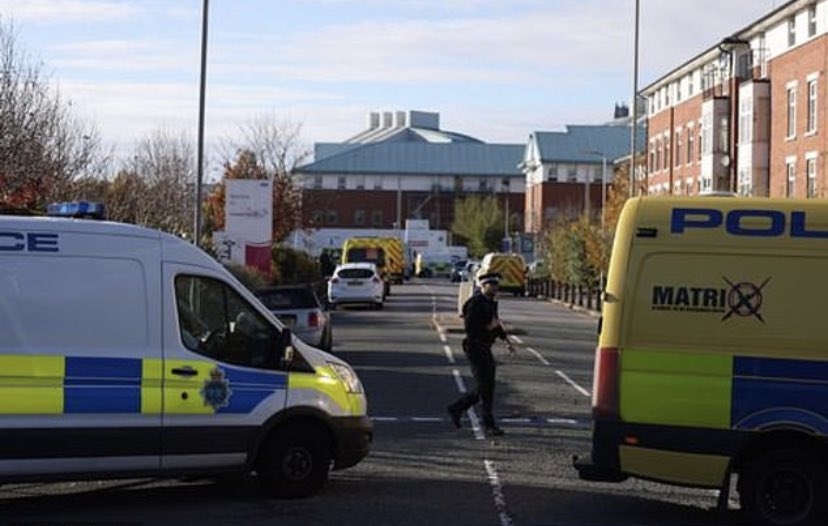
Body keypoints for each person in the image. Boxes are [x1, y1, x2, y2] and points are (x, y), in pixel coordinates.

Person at [447, 272, 516, 436]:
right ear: (483, 286)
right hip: (475, 347)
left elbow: (495, 322)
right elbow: (470, 328)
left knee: (487, 387)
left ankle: (457, 408)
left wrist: (506, 340)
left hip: (485, 347)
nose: (495, 288)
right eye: (491, 285)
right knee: (486, 388)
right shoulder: (475, 303)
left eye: (496, 285)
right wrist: (488, 328)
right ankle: (489, 424)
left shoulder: (492, 302)